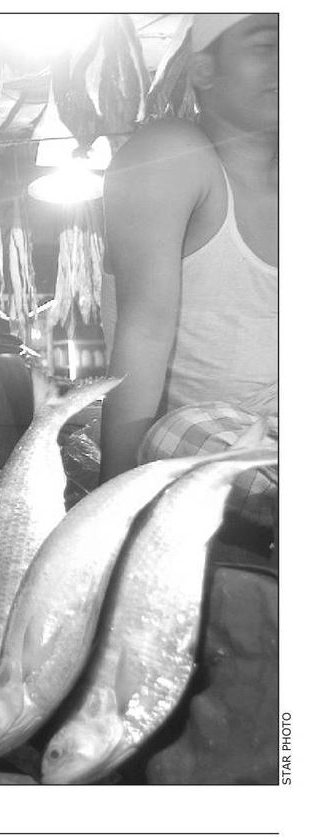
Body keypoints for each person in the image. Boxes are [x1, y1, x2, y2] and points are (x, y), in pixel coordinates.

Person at [99, 13, 277, 530]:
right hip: (200, 440)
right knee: (178, 432)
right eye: (266, 46)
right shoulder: (172, 155)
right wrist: (112, 511)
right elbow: (144, 332)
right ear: (204, 71)